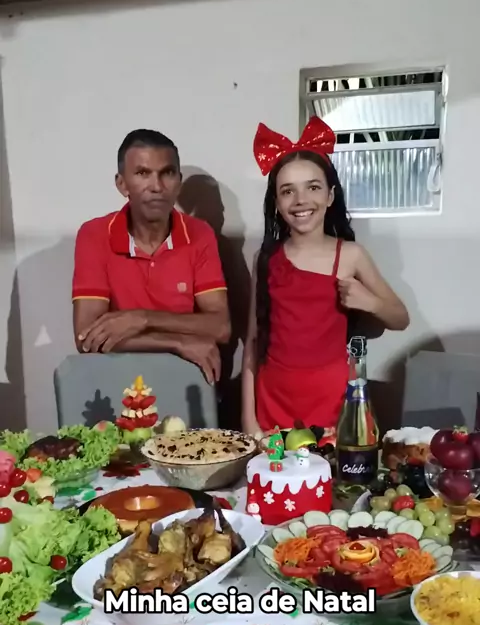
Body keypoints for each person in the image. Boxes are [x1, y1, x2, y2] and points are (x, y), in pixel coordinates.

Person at [242, 117, 409, 436]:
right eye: (287, 191)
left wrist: (369, 301)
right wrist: (249, 420)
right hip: (272, 401)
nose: (301, 200)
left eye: (313, 187)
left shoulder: (351, 255)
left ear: (330, 196)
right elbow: (252, 340)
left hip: (333, 401)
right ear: (276, 203)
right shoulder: (264, 259)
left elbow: (400, 318)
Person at [72, 129, 231, 385]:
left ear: (178, 182)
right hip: (117, 381)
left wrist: (141, 319)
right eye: (143, 173)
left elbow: (221, 327)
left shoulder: (200, 234)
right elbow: (86, 337)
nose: (157, 187)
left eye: (167, 173)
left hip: (183, 380)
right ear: (122, 184)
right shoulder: (95, 234)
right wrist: (176, 342)